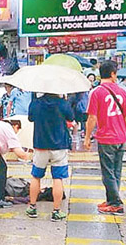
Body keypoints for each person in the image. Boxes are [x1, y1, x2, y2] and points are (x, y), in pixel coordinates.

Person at [84, 60, 126, 215]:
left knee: (108, 173)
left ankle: (116, 203)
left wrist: (87, 137)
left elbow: (92, 118)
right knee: (116, 171)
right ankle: (112, 200)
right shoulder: (123, 92)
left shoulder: (96, 92)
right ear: (112, 74)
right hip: (121, 137)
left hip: (106, 138)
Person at [26, 93, 74, 222]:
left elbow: (30, 118)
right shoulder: (63, 103)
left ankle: (32, 208)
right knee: (57, 178)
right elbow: (71, 117)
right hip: (59, 146)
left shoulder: (36, 103)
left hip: (40, 145)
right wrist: (64, 100)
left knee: (36, 176)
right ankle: (56, 211)